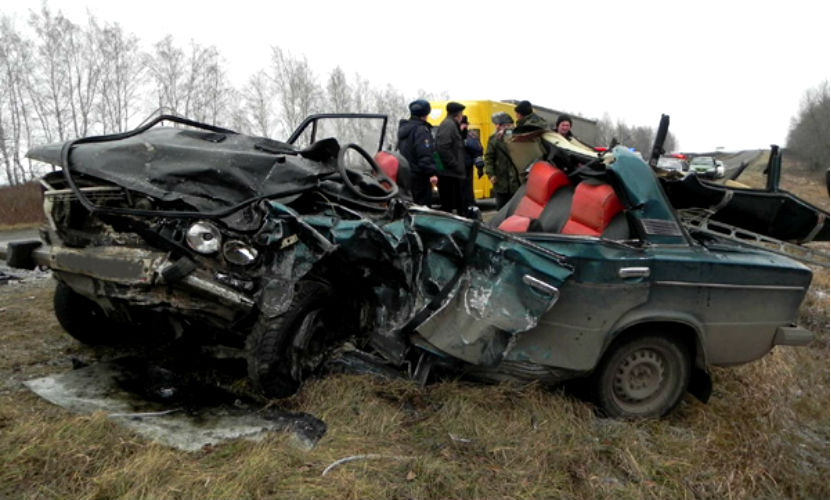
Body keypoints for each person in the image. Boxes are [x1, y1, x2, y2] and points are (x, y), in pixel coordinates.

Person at [396, 99, 438, 206]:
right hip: (420, 177)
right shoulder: (421, 130)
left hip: (406, 175)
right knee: (422, 209)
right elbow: (424, 154)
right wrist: (432, 173)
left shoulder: (405, 129)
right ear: (426, 113)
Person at [435, 101, 468, 215]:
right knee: (449, 209)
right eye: (461, 114)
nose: (462, 116)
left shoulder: (452, 125)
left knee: (458, 207)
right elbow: (442, 148)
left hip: (452, 174)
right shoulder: (448, 125)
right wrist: (454, 164)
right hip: (449, 175)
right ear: (458, 114)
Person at [484, 111, 521, 209]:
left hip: (516, 181)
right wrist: (491, 174)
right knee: (501, 208)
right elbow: (489, 157)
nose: (508, 128)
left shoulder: (519, 137)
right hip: (501, 181)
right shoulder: (494, 139)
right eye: (504, 126)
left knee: (516, 208)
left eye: (509, 125)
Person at [460, 115, 484, 217]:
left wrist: (480, 167)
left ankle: (468, 211)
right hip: (460, 168)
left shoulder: (470, 137)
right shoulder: (469, 136)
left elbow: (477, 153)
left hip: (466, 168)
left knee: (467, 192)